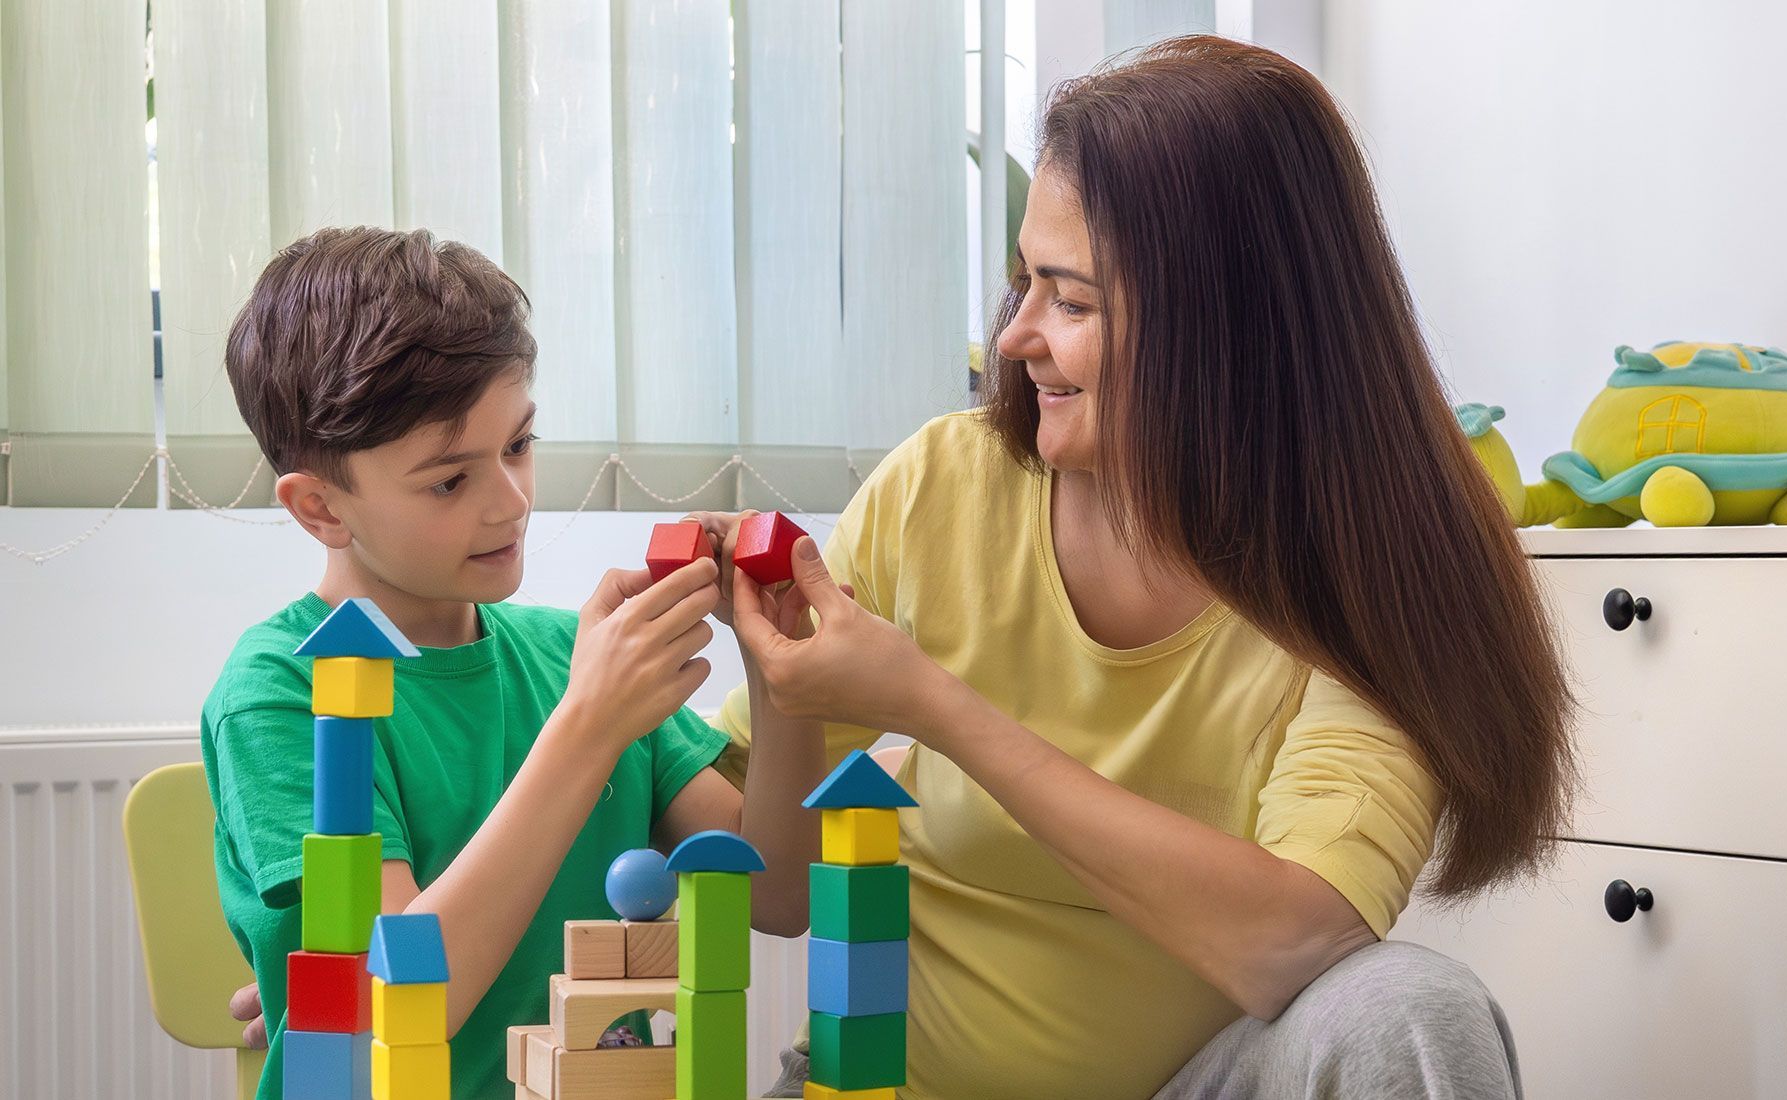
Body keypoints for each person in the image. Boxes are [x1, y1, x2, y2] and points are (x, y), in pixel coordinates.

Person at [700, 36, 1576, 1099]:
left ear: (1226, 328)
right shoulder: (942, 484)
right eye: (1026, 281)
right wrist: (782, 675)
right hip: (896, 1084)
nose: (1016, 335)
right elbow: (779, 894)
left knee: (1410, 1006)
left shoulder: (1371, 576)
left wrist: (937, 707)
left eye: (1071, 300)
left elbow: (1292, 935)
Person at [203, 227, 823, 1098]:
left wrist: (779, 666)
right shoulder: (282, 691)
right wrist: (589, 727)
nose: (513, 499)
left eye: (519, 444)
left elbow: (782, 897)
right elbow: (398, 1004)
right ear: (321, 508)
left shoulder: (569, 656)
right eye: (450, 481)